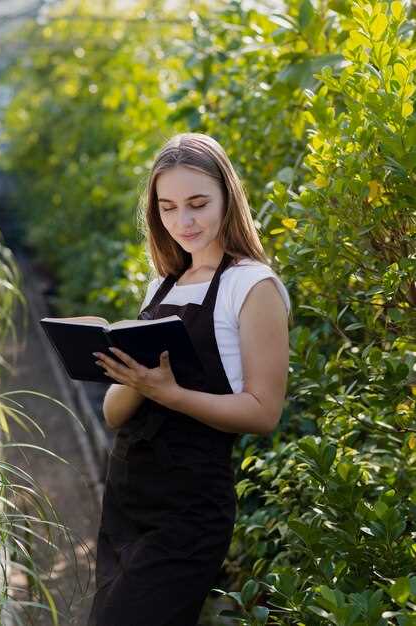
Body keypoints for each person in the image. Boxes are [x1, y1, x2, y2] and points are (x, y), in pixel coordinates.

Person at [87, 132, 291, 626]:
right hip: (128, 498)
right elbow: (114, 416)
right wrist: (132, 380)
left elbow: (263, 413)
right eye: (168, 207)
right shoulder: (164, 283)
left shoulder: (252, 285)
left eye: (198, 203)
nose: (184, 221)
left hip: (189, 509)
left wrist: (171, 394)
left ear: (228, 197)